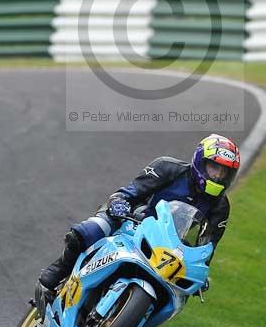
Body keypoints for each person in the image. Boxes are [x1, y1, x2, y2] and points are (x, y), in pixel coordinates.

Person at [35, 134, 241, 313]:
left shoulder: (221, 206)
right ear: (200, 161)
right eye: (214, 167)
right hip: (131, 221)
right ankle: (52, 277)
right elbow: (130, 192)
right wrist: (119, 203)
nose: (218, 175)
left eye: (224, 172)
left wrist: (201, 272)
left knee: (179, 291)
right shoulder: (168, 168)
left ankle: (133, 318)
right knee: (87, 231)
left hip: (168, 248)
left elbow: (207, 247)